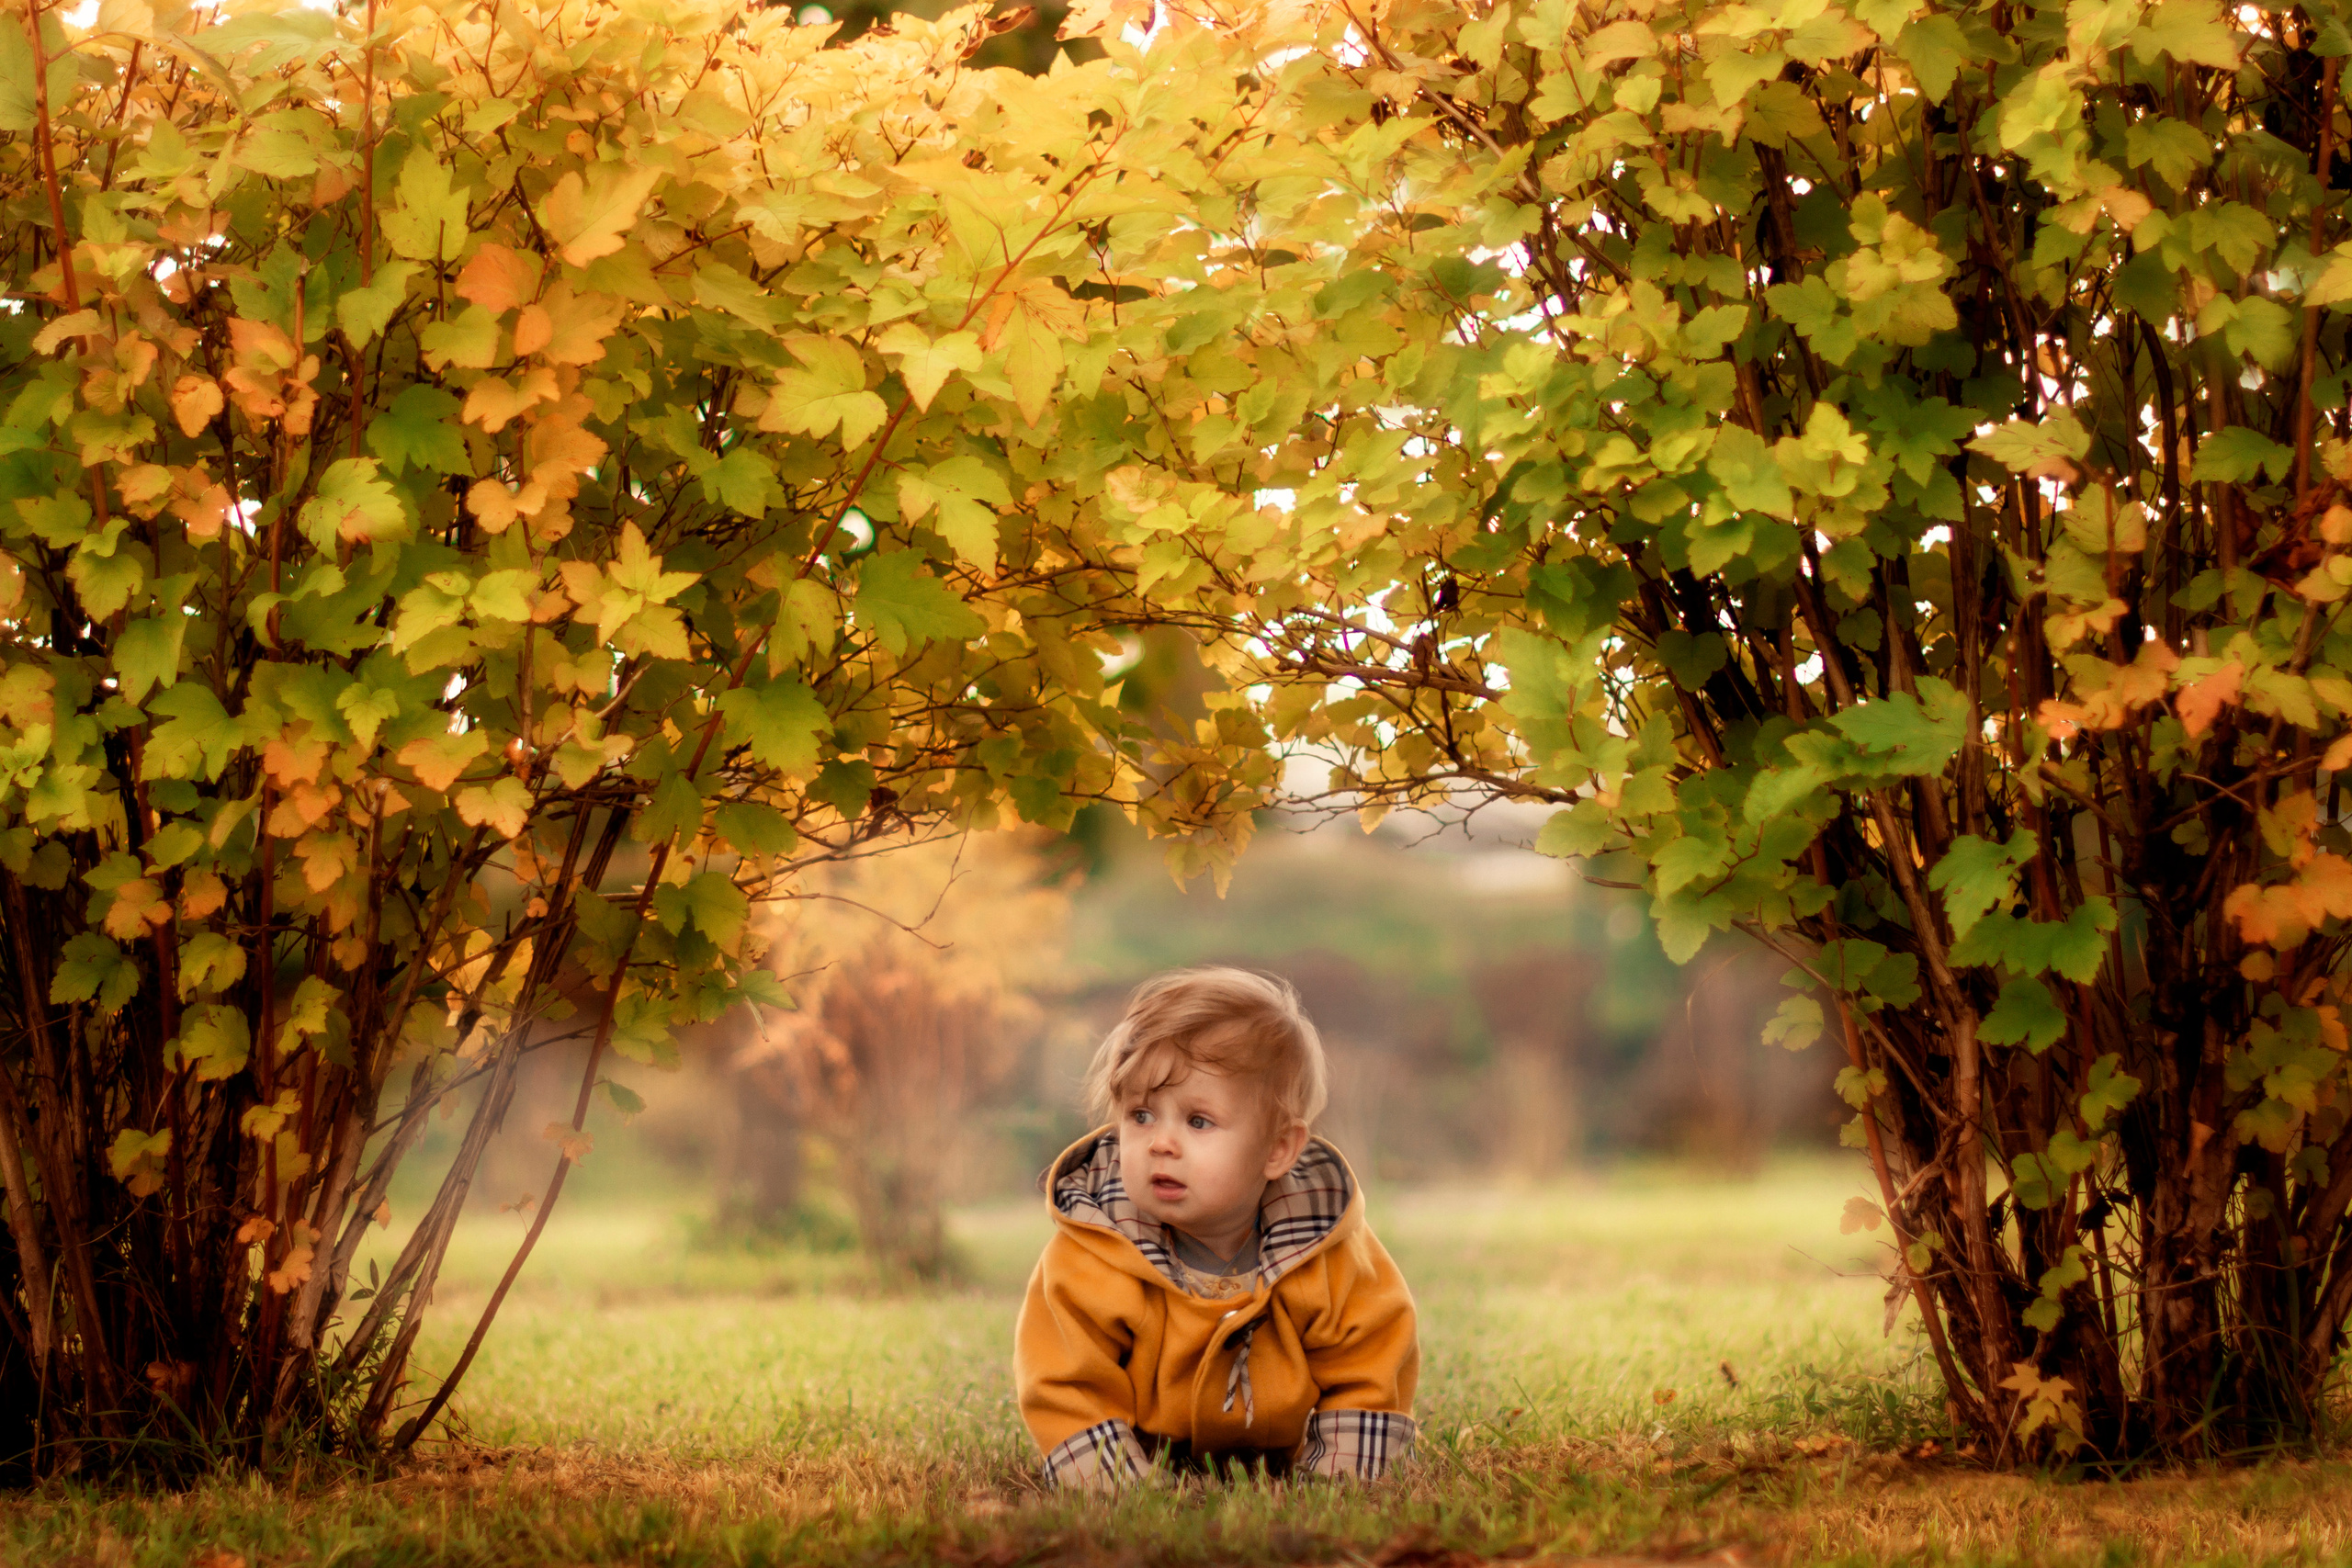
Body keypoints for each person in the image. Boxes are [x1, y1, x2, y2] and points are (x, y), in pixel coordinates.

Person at [1014, 967, 1418, 1487]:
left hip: (1283, 1452)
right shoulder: (1094, 1252)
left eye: (1198, 1121)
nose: (1161, 1142)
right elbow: (1065, 1378)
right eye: (1140, 1115)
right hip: (1142, 1454)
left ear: (1277, 1150)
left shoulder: (1324, 1250)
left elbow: (1370, 1359)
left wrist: (1344, 1475)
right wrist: (1114, 1487)